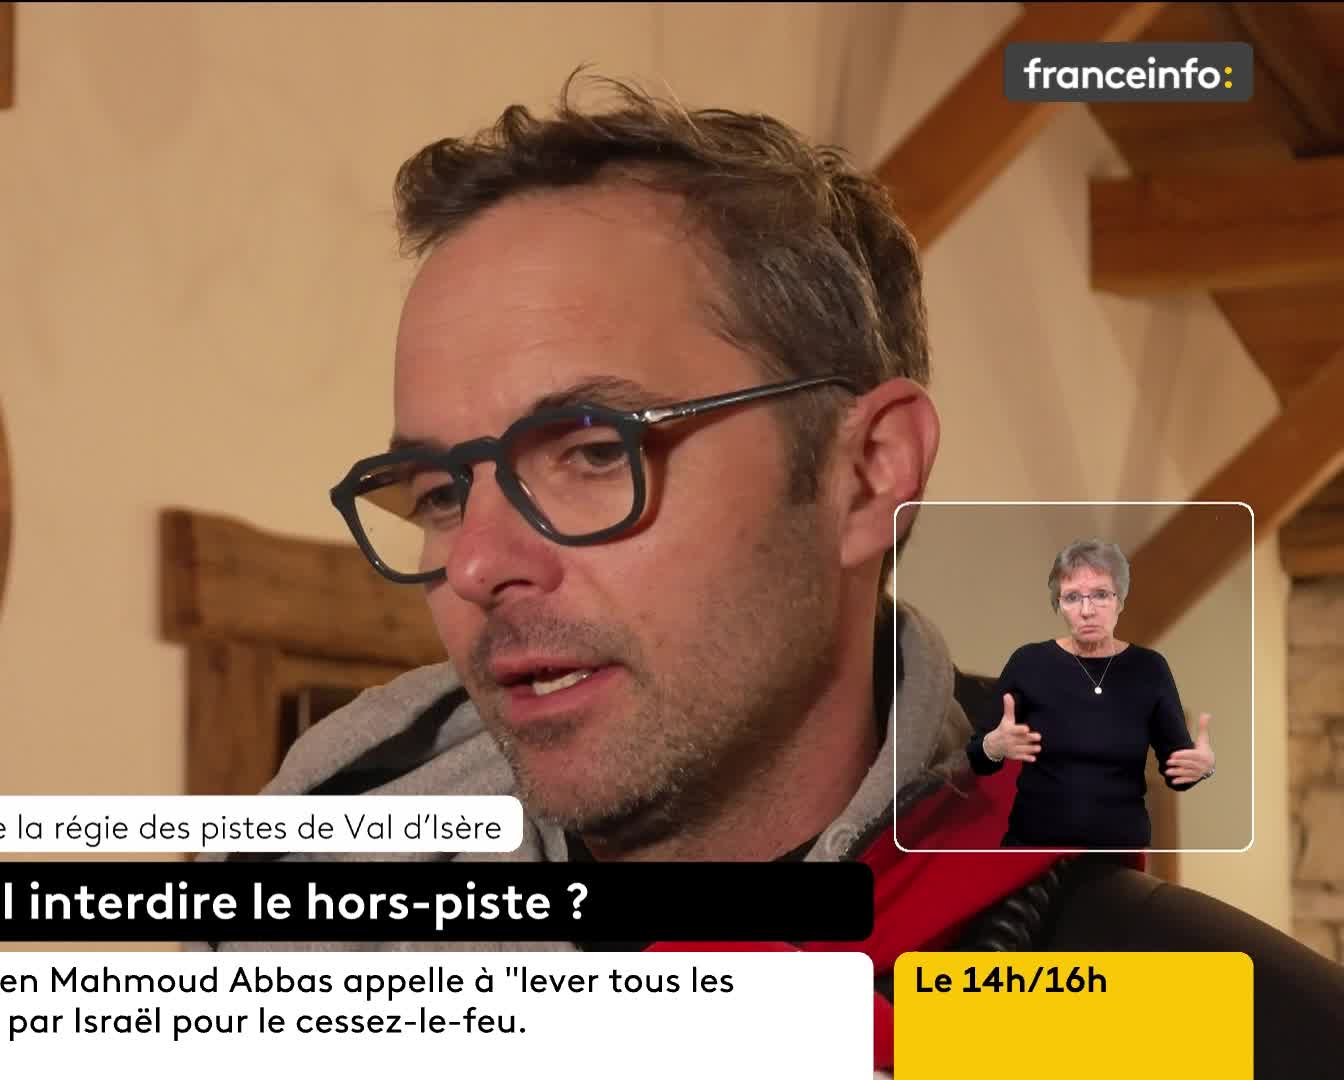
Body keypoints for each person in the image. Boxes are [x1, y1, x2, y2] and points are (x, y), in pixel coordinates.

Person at [198, 73, 1344, 1075]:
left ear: (867, 474)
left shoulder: (1230, 1039)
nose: (478, 562)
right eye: (440, 492)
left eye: (594, 452)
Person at [968, 539, 1216, 849]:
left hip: (1118, 854)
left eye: (1100, 595)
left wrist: (1204, 767)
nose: (1087, 611)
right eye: (1072, 598)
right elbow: (976, 758)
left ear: (1120, 601)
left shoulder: (1149, 669)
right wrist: (993, 745)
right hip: (1033, 850)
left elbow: (1177, 773)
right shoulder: (1029, 662)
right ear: (1059, 605)